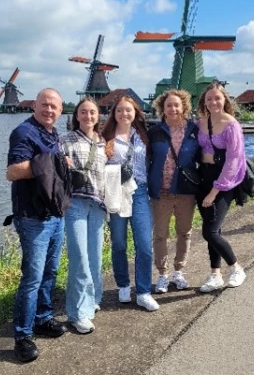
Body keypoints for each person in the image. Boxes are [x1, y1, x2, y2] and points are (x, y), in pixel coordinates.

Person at [6, 88, 69, 363]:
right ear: (35, 105)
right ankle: (23, 335)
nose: (49, 110)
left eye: (54, 106)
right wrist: (53, 163)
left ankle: (43, 318)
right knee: (31, 278)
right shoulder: (24, 132)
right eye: (45, 105)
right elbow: (13, 171)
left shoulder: (53, 133)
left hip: (54, 213)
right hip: (32, 217)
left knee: (50, 271)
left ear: (60, 110)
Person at [101, 96, 159, 312]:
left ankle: (143, 291)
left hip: (140, 192)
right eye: (119, 111)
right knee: (119, 243)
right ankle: (123, 284)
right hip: (117, 191)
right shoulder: (105, 136)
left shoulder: (142, 135)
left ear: (135, 113)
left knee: (144, 244)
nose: (124, 114)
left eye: (128, 110)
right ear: (114, 114)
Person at [60, 97, 107, 334]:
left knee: (95, 257)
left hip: (97, 205)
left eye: (92, 113)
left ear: (98, 116)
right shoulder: (65, 139)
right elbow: (56, 170)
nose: (88, 116)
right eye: (84, 112)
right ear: (76, 116)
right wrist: (62, 163)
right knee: (79, 258)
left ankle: (93, 298)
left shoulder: (101, 141)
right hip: (76, 203)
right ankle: (78, 313)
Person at [147, 89, 200, 294]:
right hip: (161, 191)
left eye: (177, 105)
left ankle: (179, 271)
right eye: (169, 105)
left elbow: (204, 154)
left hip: (185, 190)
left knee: (184, 233)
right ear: (163, 108)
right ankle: (162, 274)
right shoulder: (154, 132)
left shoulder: (193, 130)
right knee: (160, 235)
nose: (173, 108)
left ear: (184, 107)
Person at [196, 82, 247, 292]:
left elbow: (233, 160)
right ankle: (215, 275)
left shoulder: (231, 124)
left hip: (224, 180)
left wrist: (215, 190)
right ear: (204, 102)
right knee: (212, 227)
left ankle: (236, 268)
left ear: (225, 99)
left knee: (210, 230)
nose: (213, 102)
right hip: (203, 176)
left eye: (217, 98)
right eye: (209, 99)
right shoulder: (201, 122)